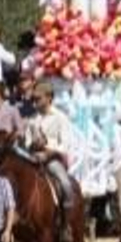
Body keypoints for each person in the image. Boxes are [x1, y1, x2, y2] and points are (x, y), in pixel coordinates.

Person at [20, 82, 78, 219]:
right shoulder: (33, 119)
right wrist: (33, 144)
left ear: (49, 98)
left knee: (65, 183)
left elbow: (65, 144)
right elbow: (27, 142)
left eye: (38, 99)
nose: (35, 102)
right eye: (34, 99)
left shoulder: (60, 118)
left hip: (53, 159)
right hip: (33, 158)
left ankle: (67, 217)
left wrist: (49, 150)